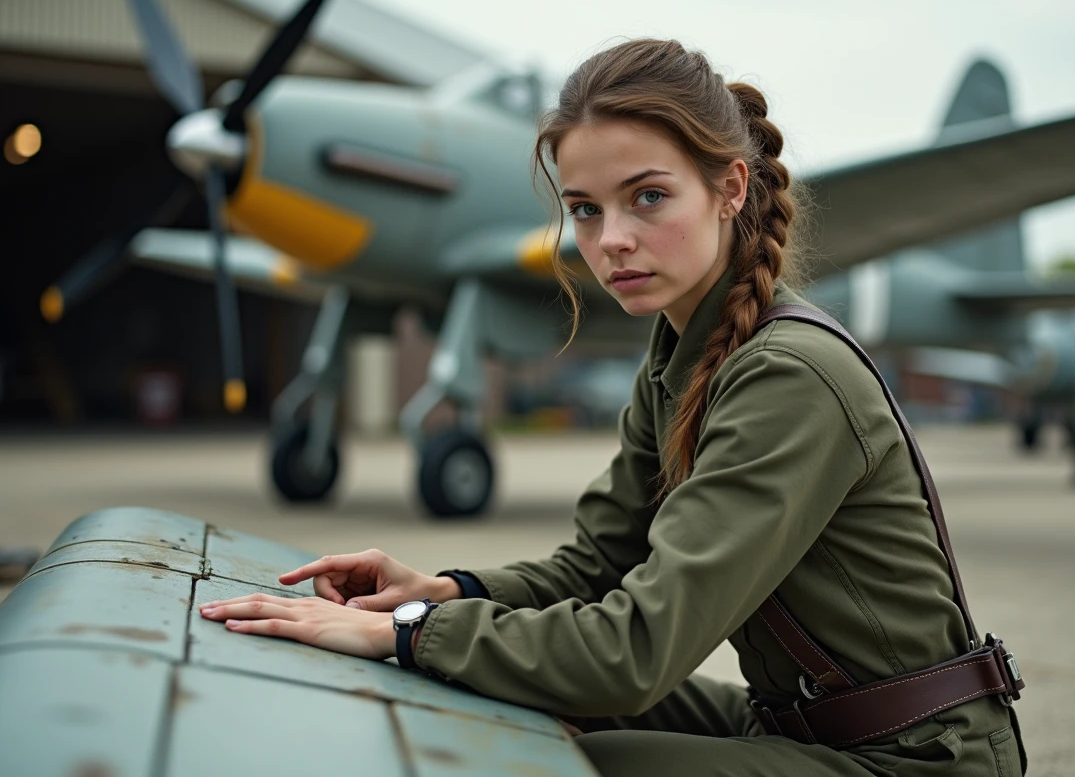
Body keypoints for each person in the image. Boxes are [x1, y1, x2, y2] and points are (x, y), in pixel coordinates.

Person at [198, 39, 1026, 776]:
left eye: (649, 198)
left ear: (731, 188)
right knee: (495, 704)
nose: (610, 240)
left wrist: (406, 632)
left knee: (576, 764)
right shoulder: (680, 355)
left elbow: (636, 653)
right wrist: (443, 592)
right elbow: (594, 570)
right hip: (802, 720)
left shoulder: (787, 375)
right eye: (585, 210)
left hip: (916, 754)